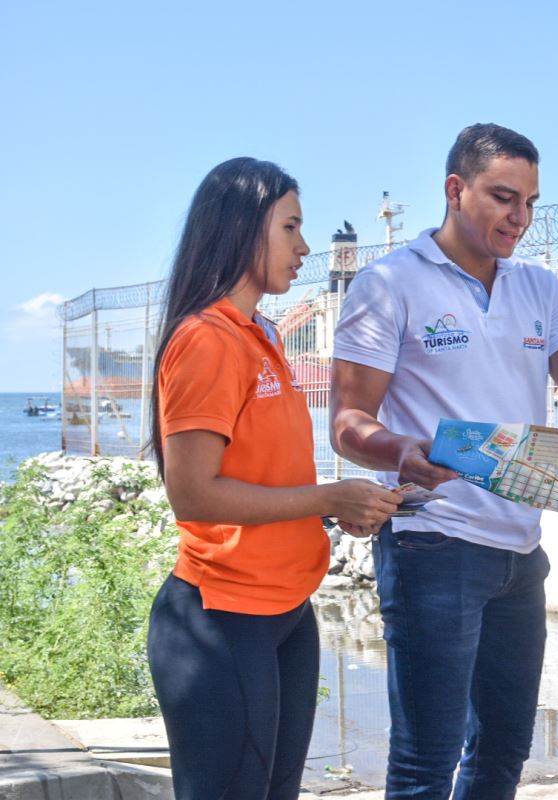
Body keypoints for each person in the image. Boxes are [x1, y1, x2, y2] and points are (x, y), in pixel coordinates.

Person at [329, 123, 558, 799]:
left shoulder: (542, 289)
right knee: (422, 767)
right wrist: (401, 452)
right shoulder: (388, 284)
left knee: (502, 755)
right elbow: (347, 425)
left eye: (528, 202)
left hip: (520, 552)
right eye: (503, 197)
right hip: (430, 544)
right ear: (454, 189)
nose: (518, 218)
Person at [146, 157, 402, 799]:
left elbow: (259, 476)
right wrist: (328, 495)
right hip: (223, 617)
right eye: (291, 227)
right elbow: (193, 493)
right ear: (241, 229)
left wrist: (330, 508)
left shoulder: (262, 337)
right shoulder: (206, 339)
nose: (307, 247)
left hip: (287, 612)